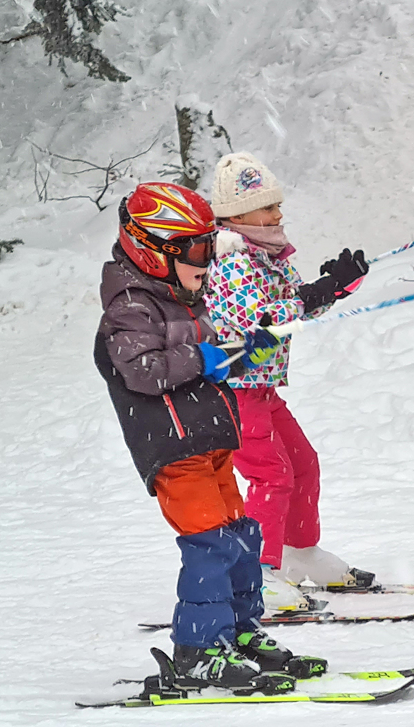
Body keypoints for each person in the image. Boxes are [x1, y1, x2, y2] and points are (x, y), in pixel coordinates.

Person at [94, 182, 320, 687]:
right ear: (154, 252)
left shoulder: (183, 295)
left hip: (211, 438)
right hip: (175, 450)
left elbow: (213, 353)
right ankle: (197, 650)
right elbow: (143, 371)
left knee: (241, 539)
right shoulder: (130, 308)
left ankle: (237, 632)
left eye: (211, 246)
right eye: (200, 250)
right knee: (210, 545)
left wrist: (247, 349)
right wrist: (206, 357)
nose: (208, 260)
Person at [203, 152, 373, 609]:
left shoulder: (269, 252)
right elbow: (256, 320)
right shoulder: (231, 260)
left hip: (263, 388)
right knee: (271, 475)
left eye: (277, 205)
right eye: (267, 207)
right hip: (234, 390)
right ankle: (256, 572)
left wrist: (335, 287)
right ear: (236, 215)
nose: (278, 214)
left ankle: (300, 553)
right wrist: (310, 296)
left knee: (302, 464)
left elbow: (294, 307)